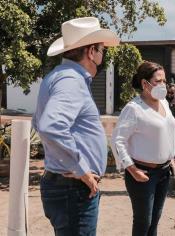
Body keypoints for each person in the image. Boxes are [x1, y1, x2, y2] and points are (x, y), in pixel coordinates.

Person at [32, 17, 119, 235]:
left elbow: (39, 122)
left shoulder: (59, 77)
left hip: (68, 186)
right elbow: (51, 125)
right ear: (91, 51)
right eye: (101, 50)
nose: (102, 56)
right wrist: (82, 170)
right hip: (73, 189)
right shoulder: (71, 80)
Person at [111, 61, 175, 236]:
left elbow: (168, 132)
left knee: (155, 220)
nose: (163, 85)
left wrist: (171, 158)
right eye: (158, 81)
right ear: (144, 83)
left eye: (164, 81)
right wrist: (131, 169)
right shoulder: (134, 109)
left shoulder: (164, 104)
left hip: (163, 172)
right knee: (143, 221)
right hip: (142, 174)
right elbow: (117, 141)